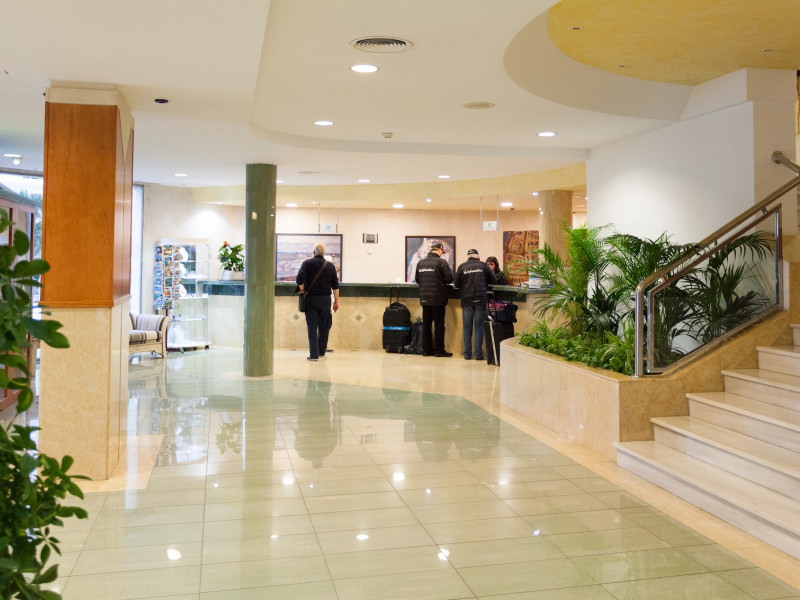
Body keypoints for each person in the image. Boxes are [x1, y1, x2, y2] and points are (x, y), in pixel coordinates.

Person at [296, 243, 340, 361]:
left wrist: (302, 290)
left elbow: (299, 279)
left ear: (314, 252)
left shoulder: (307, 263)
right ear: (324, 253)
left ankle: (314, 355)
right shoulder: (330, 266)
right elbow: (335, 286)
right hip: (325, 300)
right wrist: (336, 301)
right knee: (324, 327)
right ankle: (321, 352)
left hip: (311, 299)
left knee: (312, 327)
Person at [454, 248, 496, 360]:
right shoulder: (483, 265)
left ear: (468, 256)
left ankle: (467, 353)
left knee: (467, 328)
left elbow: (456, 284)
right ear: (477, 256)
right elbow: (493, 280)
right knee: (479, 327)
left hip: (467, 300)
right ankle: (478, 354)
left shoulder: (462, 266)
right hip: (480, 299)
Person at [414, 241, 454, 357]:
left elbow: (417, 279)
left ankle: (426, 350)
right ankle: (439, 350)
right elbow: (449, 279)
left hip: (424, 298)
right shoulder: (441, 262)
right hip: (438, 298)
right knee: (439, 325)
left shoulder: (421, 263)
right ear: (440, 250)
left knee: (426, 324)